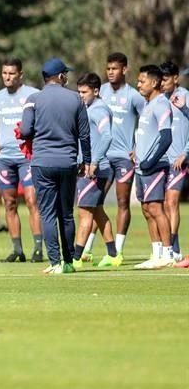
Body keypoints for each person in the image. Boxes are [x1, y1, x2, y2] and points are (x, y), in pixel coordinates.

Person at [20, 58, 92, 275]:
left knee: (48, 214)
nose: (67, 77)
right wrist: (87, 161)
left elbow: (24, 131)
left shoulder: (33, 99)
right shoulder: (75, 99)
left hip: (42, 163)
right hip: (68, 162)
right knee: (67, 214)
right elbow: (85, 135)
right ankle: (69, 262)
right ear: (60, 76)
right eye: (65, 74)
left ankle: (55, 262)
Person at [0, 58, 43, 262]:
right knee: (9, 203)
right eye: (4, 73)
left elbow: (45, 120)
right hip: (5, 159)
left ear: (20, 75)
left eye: (11, 73)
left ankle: (38, 248)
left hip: (27, 158)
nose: (7, 77)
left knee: (32, 201)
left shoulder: (33, 95)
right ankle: (17, 249)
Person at [97, 53, 144, 260]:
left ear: (124, 69)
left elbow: (148, 121)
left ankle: (117, 252)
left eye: (114, 69)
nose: (110, 73)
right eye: (108, 69)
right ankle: (87, 249)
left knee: (122, 202)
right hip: (103, 157)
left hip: (124, 158)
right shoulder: (101, 92)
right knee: (94, 202)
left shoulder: (134, 96)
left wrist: (139, 146)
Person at [71, 73, 119, 268]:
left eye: (84, 92)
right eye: (79, 92)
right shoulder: (89, 108)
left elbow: (107, 137)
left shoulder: (99, 110)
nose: (80, 95)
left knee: (84, 213)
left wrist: (94, 161)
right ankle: (113, 255)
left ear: (96, 91)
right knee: (97, 211)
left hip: (95, 170)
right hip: (93, 168)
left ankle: (75, 260)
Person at [132, 65, 175, 269]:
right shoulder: (148, 105)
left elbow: (166, 137)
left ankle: (168, 253)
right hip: (141, 167)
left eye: (142, 81)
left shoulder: (161, 105)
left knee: (156, 208)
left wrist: (150, 161)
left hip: (155, 166)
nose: (138, 84)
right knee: (146, 209)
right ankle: (156, 253)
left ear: (155, 82)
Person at [159, 61, 186, 261]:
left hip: (179, 161)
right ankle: (169, 249)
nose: (162, 83)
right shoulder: (159, 100)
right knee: (160, 205)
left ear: (176, 78)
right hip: (160, 161)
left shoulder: (186, 96)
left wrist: (185, 153)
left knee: (172, 202)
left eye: (166, 79)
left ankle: (174, 248)